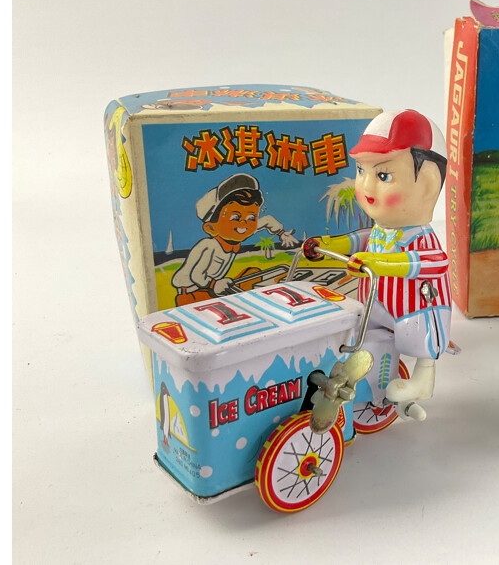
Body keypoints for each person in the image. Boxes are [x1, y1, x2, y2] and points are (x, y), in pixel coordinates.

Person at [304, 109, 451, 421]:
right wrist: (330, 246)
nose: (366, 187)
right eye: (361, 171)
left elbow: (435, 262)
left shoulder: (422, 238)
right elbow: (361, 241)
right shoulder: (382, 231)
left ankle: (422, 380)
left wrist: (379, 262)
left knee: (415, 333)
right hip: (376, 304)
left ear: (425, 185)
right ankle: (362, 381)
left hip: (415, 310)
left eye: (383, 175)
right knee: (355, 331)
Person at [171, 173, 292, 305]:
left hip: (212, 288)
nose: (244, 224)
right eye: (235, 218)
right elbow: (196, 275)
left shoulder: (238, 232)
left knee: (253, 273)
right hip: (191, 294)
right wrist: (213, 284)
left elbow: (267, 221)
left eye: (251, 218)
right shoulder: (209, 245)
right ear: (211, 228)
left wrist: (281, 233)